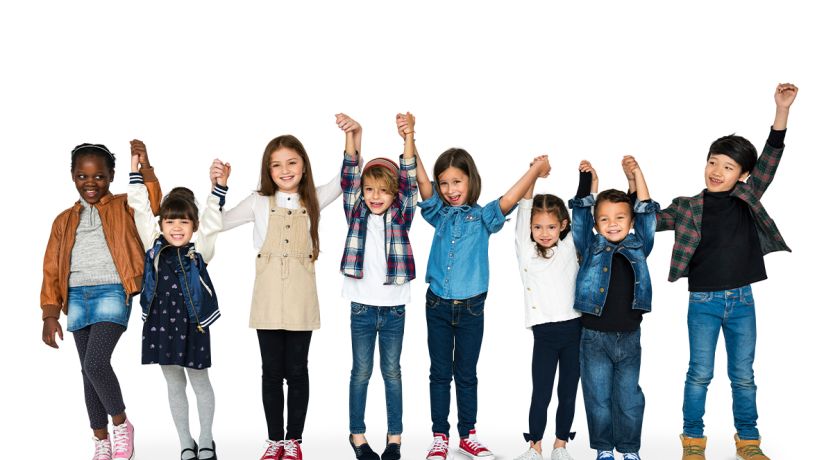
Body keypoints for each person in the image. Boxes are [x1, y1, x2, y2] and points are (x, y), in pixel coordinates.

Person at [655, 83, 798, 460]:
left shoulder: (747, 197)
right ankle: (693, 442)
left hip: (742, 301)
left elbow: (771, 158)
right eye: (713, 162)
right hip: (702, 302)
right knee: (699, 373)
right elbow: (646, 221)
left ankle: (748, 442)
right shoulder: (687, 206)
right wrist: (631, 188)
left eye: (728, 166)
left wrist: (781, 111)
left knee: (744, 377)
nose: (717, 171)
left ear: (744, 175)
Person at [417, 142, 551, 460]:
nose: (451, 189)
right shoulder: (438, 213)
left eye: (457, 182)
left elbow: (510, 198)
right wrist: (409, 138)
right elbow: (421, 182)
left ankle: (468, 435)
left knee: (466, 373)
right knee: (439, 372)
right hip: (437, 305)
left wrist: (535, 170)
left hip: (471, 309)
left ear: (471, 180)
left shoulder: (483, 218)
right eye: (445, 183)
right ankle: (439, 436)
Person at [222, 130, 342, 460]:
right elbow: (218, 222)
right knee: (272, 372)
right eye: (276, 165)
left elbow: (348, 177)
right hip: (268, 297)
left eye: (292, 162)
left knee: (298, 370)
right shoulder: (259, 202)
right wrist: (219, 188)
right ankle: (275, 440)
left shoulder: (314, 198)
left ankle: (294, 441)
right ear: (267, 170)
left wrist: (352, 137)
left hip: (301, 298)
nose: (285, 170)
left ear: (304, 166)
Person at [41, 140, 161, 460]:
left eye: (99, 177)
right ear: (72, 176)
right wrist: (50, 312)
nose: (90, 183)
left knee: (96, 363)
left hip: (113, 290)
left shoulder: (124, 205)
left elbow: (151, 203)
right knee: (86, 370)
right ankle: (101, 440)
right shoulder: (63, 221)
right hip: (77, 296)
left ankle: (122, 425)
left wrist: (145, 167)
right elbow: (52, 267)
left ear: (111, 176)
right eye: (82, 176)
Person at [128, 152, 230, 460]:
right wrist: (137, 175)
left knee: (199, 380)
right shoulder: (153, 245)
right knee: (173, 383)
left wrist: (218, 190)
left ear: (193, 225)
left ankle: (207, 438)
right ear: (162, 224)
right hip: (161, 324)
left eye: (183, 222)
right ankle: (186, 441)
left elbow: (213, 221)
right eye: (170, 221)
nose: (175, 227)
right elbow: (141, 211)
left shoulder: (200, 250)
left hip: (192, 324)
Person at [338, 113, 418, 460]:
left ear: (393, 194)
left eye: (383, 191)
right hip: (361, 307)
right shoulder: (355, 211)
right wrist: (355, 134)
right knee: (361, 372)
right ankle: (357, 435)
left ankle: (394, 438)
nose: (374, 196)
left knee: (392, 373)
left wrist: (408, 137)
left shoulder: (400, 216)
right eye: (369, 190)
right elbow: (349, 173)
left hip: (394, 308)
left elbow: (411, 180)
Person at [570, 157, 658, 460]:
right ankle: (604, 449)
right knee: (598, 398)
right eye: (604, 219)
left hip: (630, 337)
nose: (612, 224)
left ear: (630, 222)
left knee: (629, 398)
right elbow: (580, 216)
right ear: (596, 225)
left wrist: (637, 174)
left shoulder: (639, 246)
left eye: (620, 217)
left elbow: (647, 212)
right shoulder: (589, 246)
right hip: (594, 336)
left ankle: (629, 449)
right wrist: (588, 183)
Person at [512, 159, 581, 460]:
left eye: (551, 226)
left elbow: (583, 208)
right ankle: (535, 445)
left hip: (575, 330)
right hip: (544, 332)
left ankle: (560, 444)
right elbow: (526, 205)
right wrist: (534, 176)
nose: (544, 232)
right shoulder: (526, 251)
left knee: (567, 392)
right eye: (538, 227)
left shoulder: (569, 247)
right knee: (540, 392)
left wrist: (587, 177)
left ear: (562, 226)